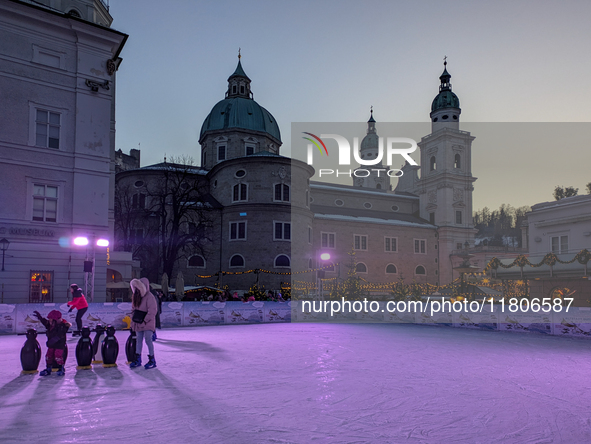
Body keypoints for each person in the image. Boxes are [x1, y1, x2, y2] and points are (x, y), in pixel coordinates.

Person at [130, 278, 157, 369]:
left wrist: (145, 320)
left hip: (147, 323)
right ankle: (138, 359)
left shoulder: (149, 296)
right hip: (138, 323)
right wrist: (133, 321)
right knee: (138, 341)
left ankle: (152, 360)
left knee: (148, 340)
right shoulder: (136, 296)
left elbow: (152, 311)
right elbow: (133, 309)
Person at [33, 310, 71, 376]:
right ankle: (48, 368)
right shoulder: (50, 325)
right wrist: (40, 317)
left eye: (51, 320)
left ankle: (61, 368)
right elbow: (45, 322)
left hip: (59, 345)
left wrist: (51, 342)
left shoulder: (62, 326)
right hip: (51, 345)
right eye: (49, 320)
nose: (49, 321)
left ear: (56, 320)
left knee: (58, 356)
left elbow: (59, 335)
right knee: (48, 356)